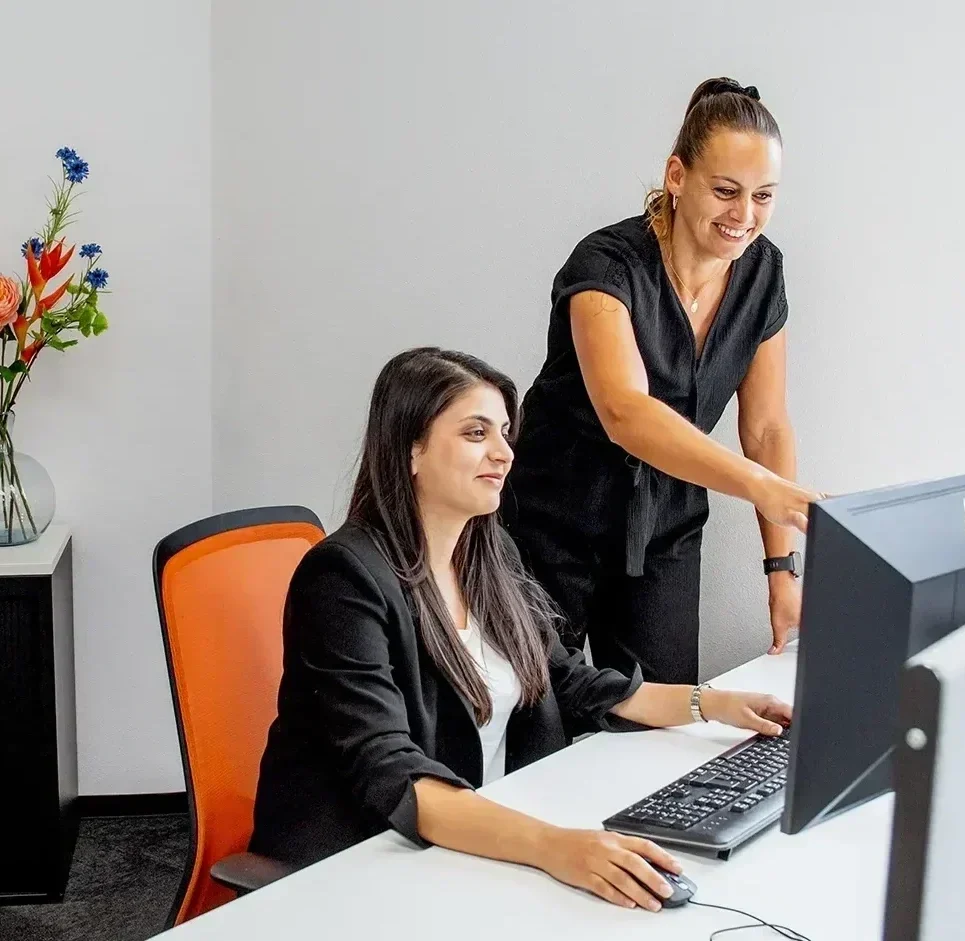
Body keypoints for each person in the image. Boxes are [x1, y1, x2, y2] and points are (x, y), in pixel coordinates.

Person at [250, 347, 792, 912]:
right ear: (411, 448)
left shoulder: (488, 553)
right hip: (365, 860)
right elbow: (391, 772)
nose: (504, 453)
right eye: (475, 433)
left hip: (475, 839)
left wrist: (713, 704)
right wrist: (554, 847)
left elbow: (568, 680)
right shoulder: (344, 578)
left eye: (505, 433)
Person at [502, 77, 824, 686]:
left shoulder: (763, 273)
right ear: (677, 176)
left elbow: (766, 427)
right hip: (550, 523)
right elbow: (625, 412)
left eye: (763, 196)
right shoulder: (605, 266)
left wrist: (782, 573)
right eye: (725, 191)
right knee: (535, 717)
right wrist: (761, 487)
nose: (744, 216)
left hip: (665, 530)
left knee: (664, 718)